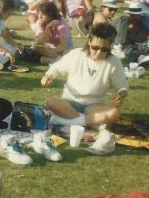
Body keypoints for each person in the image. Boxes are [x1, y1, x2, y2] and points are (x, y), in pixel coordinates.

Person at [41, 23, 129, 155]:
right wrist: (49, 75)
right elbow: (57, 67)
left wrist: (120, 95)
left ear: (110, 46)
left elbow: (122, 85)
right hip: (69, 102)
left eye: (104, 49)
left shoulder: (114, 62)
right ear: (89, 42)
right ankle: (95, 124)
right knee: (51, 102)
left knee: (114, 113)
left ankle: (64, 121)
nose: (99, 52)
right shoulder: (77, 54)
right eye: (95, 47)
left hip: (94, 105)